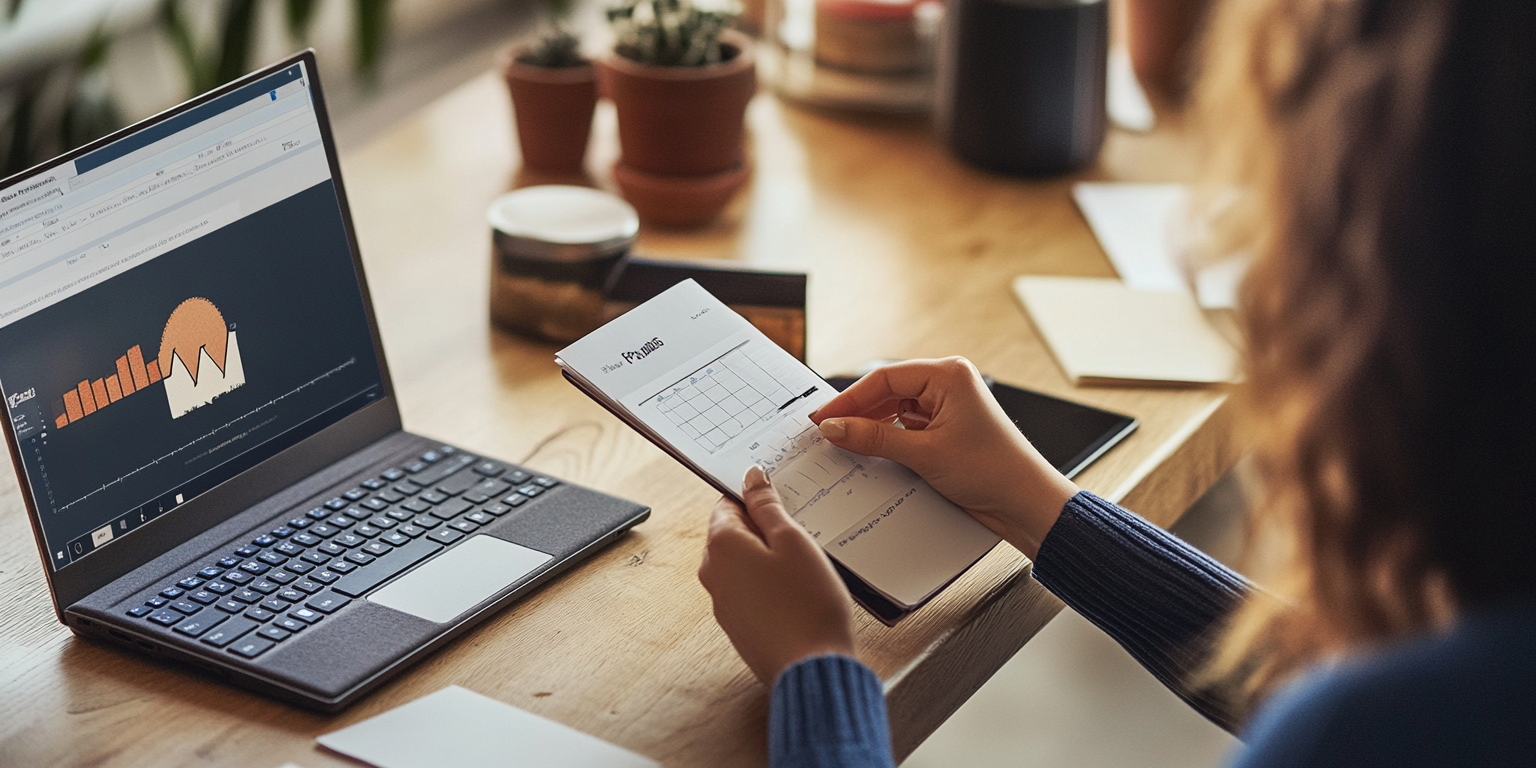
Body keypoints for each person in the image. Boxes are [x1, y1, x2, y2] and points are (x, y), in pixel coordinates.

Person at [697, 1, 1536, 766]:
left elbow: (1370, 718)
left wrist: (817, 672)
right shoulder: (1459, 686)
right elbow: (1357, 685)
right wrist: (1039, 505)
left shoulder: (1366, 729)